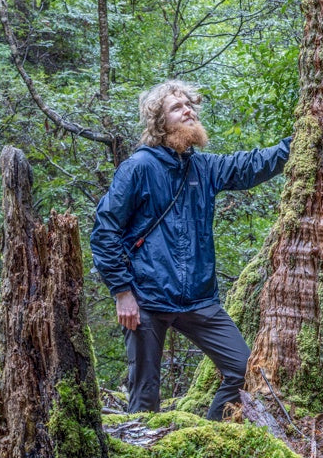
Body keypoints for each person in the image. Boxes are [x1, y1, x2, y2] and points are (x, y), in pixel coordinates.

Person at [89, 79, 292, 420]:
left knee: (243, 370)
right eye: (176, 107)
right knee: (144, 397)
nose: (188, 111)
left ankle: (206, 436)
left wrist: (298, 142)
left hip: (198, 299)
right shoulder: (139, 168)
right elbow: (104, 230)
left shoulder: (203, 168)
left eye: (189, 105)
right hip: (147, 300)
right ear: (159, 122)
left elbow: (251, 165)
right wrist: (122, 291)